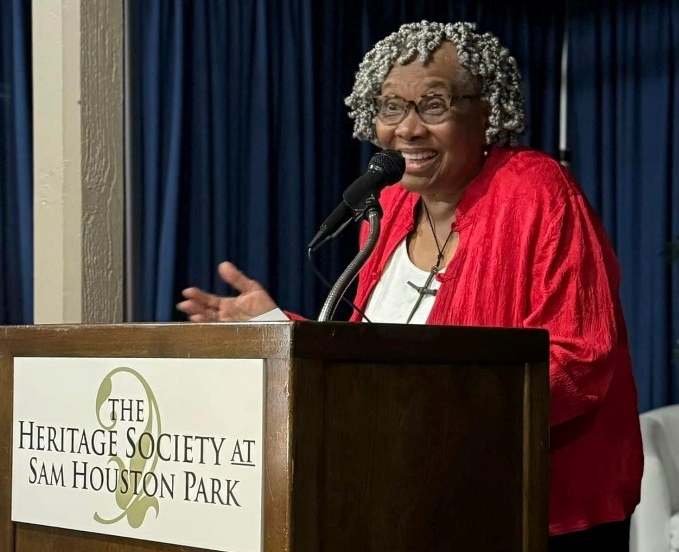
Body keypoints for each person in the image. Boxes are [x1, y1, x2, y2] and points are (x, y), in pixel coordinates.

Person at [177, 21, 643, 549]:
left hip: (536, 509)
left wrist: (429, 416)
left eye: (435, 106)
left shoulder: (536, 190)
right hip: (413, 495)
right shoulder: (391, 208)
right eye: (390, 107)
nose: (408, 129)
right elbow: (377, 359)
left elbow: (579, 357)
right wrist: (277, 326)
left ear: (489, 111)